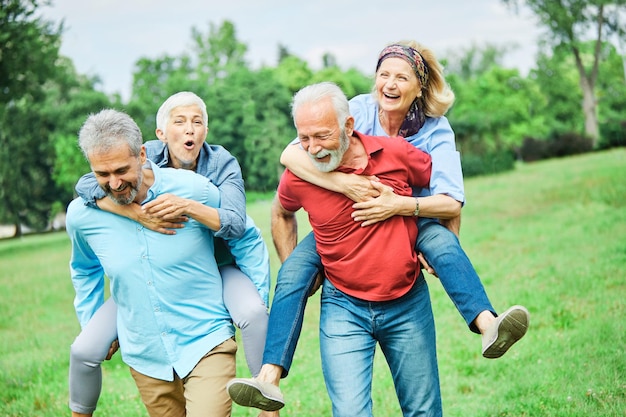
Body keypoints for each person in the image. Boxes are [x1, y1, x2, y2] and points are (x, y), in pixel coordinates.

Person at [227, 41, 529, 413]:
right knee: (292, 273)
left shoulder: (431, 133)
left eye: (401, 77)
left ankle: (488, 324)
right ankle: (268, 378)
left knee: (442, 245)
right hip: (340, 248)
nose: (389, 83)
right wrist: (344, 183)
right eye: (383, 74)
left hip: (413, 216)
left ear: (419, 86)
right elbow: (292, 154)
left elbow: (451, 198)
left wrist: (406, 211)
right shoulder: (351, 110)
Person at [69, 92, 270, 416]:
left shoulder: (212, 173)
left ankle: (267, 397)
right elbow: (84, 263)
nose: (114, 182)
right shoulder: (89, 206)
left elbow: (239, 229)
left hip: (213, 293)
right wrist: (135, 212)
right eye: (103, 174)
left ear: (142, 155)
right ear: (161, 134)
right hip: (146, 345)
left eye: (197, 121)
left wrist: (189, 207)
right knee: (83, 349)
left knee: (253, 312)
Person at [245, 81, 440, 416]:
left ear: (349, 125)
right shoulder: (300, 175)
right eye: (303, 138)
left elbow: (439, 185)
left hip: (407, 301)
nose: (313, 148)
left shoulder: (391, 152)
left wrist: (430, 233)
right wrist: (296, 265)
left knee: (423, 410)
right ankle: (270, 374)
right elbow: (281, 211)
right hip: (343, 308)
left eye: (322, 136)